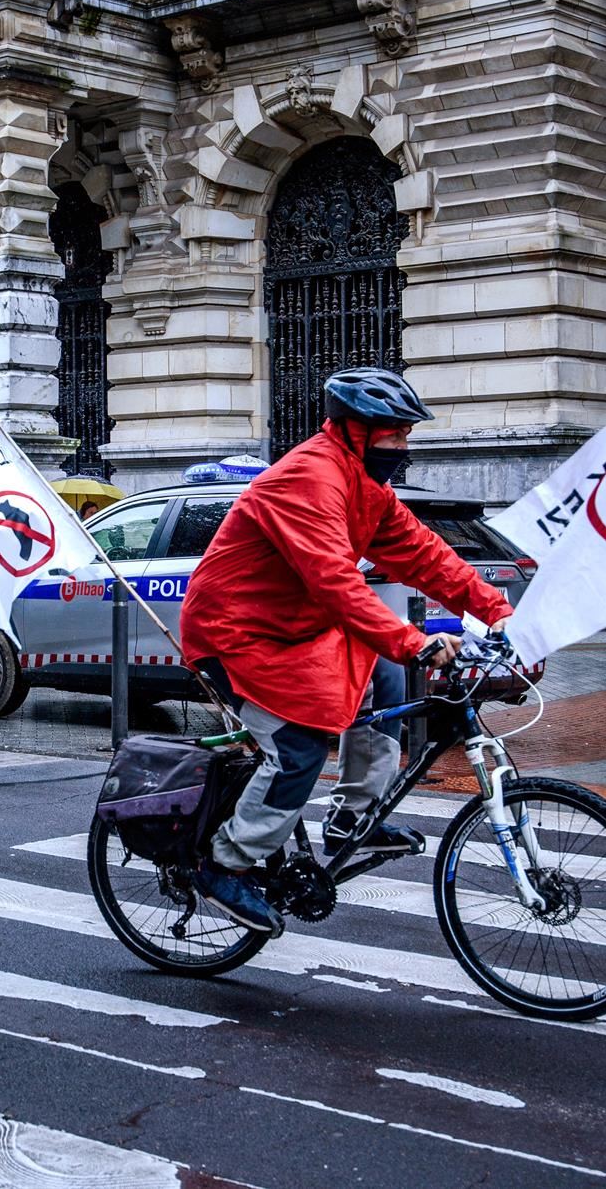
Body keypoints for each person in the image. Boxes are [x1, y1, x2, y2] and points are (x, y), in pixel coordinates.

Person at [179, 367, 516, 934]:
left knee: (385, 683)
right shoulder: (310, 478)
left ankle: (352, 820)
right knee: (298, 750)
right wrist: (414, 642)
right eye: (395, 434)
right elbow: (335, 581)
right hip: (236, 634)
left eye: (407, 434)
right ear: (357, 430)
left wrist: (497, 609)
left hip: (301, 630)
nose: (403, 447)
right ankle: (223, 863)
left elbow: (425, 553)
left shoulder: (365, 487)